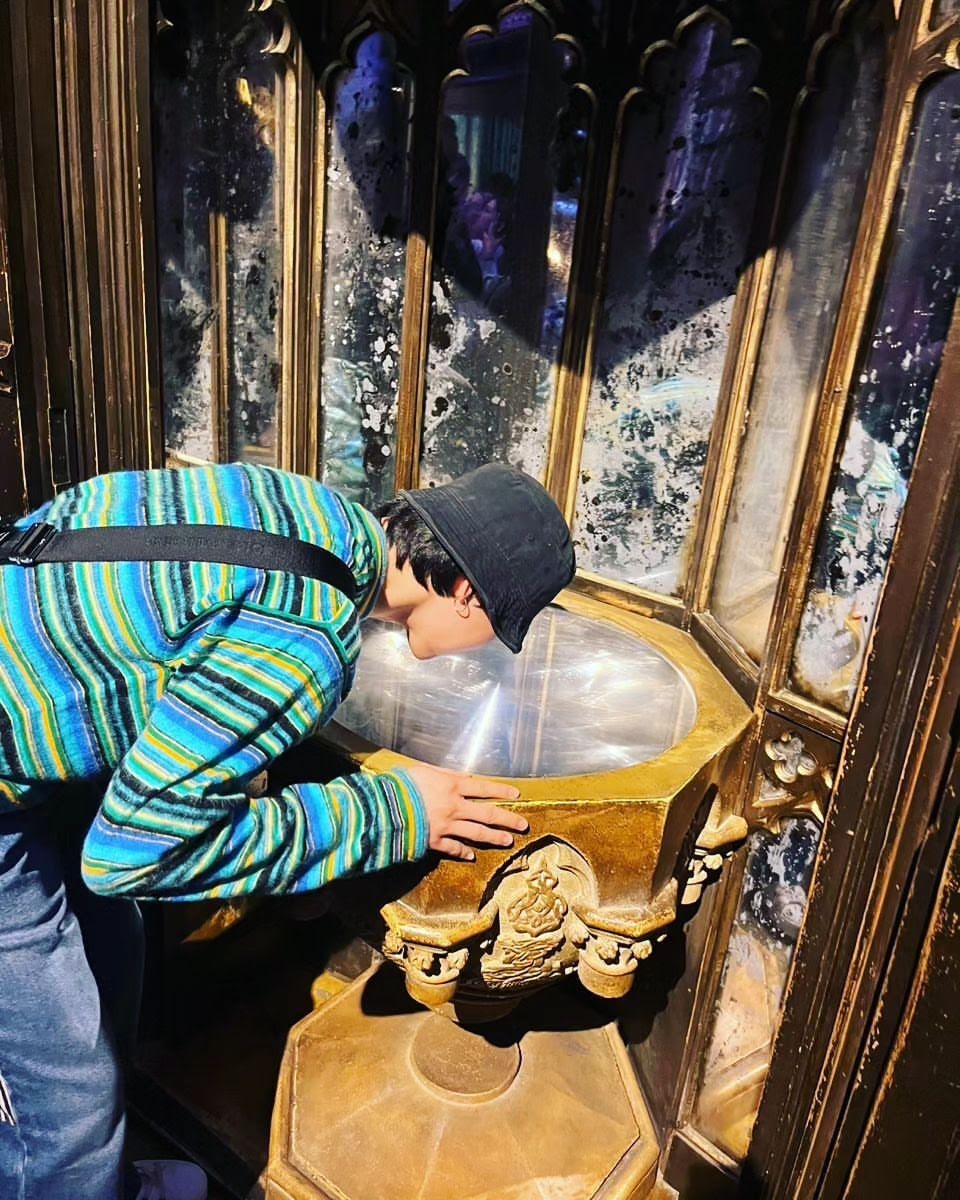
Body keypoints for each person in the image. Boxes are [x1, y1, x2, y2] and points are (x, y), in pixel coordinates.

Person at [0, 460, 575, 1200]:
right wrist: (394, 814)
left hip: (30, 735)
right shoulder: (308, 636)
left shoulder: (300, 507)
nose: (486, 652)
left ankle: (88, 1182)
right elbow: (136, 855)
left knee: (112, 951)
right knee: (68, 1090)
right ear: (467, 596)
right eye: (500, 633)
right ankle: (65, 1173)